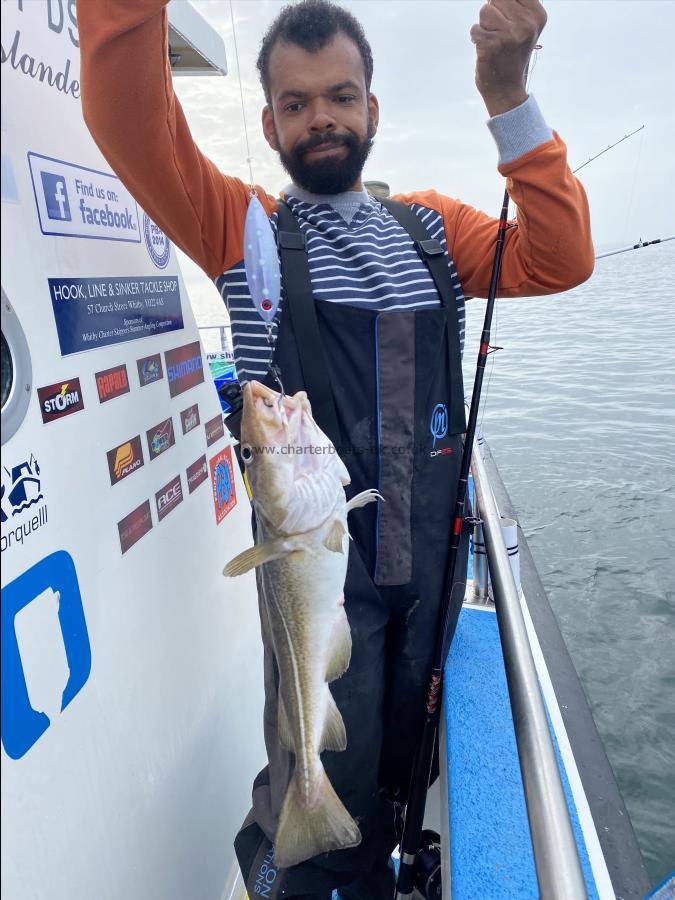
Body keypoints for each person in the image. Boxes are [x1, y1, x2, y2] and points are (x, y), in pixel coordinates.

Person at [79, 1, 593, 897]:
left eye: (340, 96)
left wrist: (507, 94)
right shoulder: (239, 230)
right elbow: (124, 117)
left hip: (427, 560)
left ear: (371, 112)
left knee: (401, 768)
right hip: (324, 570)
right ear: (271, 121)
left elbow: (561, 256)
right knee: (312, 776)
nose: (320, 117)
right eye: (295, 102)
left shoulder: (434, 230)